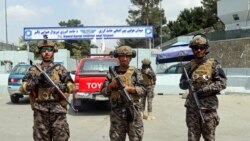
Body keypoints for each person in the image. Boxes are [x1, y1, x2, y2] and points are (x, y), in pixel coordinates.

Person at [20, 37, 75, 141]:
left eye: (49, 50)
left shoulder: (60, 69)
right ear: (39, 52)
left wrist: (60, 87)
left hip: (58, 111)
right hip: (40, 112)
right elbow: (23, 89)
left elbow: (72, 87)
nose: (46, 52)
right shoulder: (33, 70)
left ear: (53, 51)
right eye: (43, 50)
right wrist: (36, 81)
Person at [179, 33, 227, 141]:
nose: (199, 50)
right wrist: (186, 83)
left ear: (206, 49)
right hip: (192, 109)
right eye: (196, 48)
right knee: (192, 138)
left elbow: (222, 83)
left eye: (201, 48)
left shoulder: (213, 64)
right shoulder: (188, 66)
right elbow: (181, 85)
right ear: (192, 49)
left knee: (209, 138)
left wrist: (203, 90)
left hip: (208, 109)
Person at [101, 45, 145, 141]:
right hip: (117, 114)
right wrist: (110, 86)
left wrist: (130, 89)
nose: (124, 59)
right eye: (122, 56)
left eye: (127, 56)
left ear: (130, 58)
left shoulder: (136, 72)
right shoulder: (111, 73)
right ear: (118, 57)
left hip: (134, 112)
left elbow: (143, 90)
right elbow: (103, 92)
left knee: (136, 138)